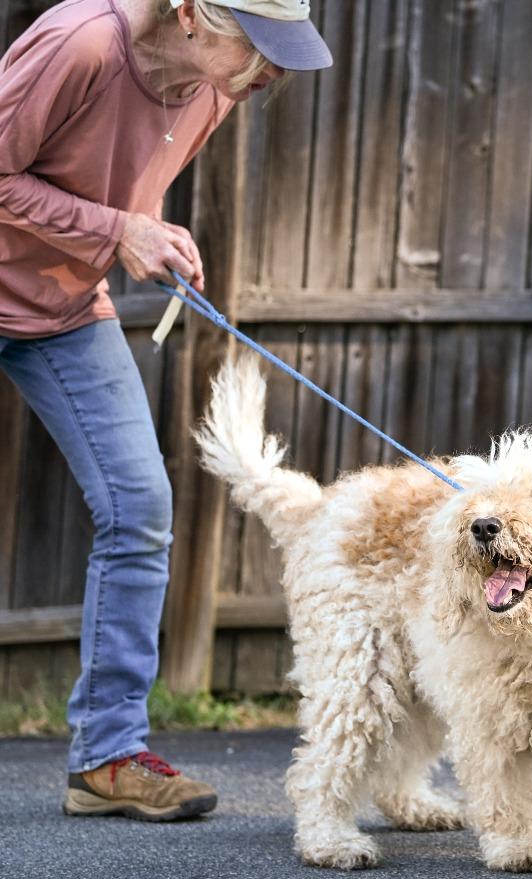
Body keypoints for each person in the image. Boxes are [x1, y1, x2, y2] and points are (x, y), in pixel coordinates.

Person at [0, 0, 331, 821]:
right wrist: (118, 229)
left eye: (281, 54)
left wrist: (145, 237)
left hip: (60, 310)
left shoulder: (217, 91)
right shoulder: (82, 43)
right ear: (190, 14)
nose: (271, 73)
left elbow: (109, 196)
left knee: (140, 507)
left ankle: (108, 757)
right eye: (255, 48)